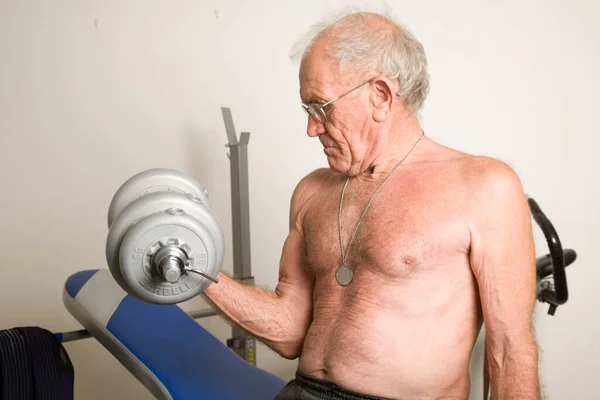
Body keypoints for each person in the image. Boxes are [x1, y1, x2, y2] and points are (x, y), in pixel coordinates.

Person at [204, 10, 540, 400]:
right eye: (307, 111)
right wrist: (196, 272)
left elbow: (510, 353)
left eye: (321, 108)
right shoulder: (312, 192)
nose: (311, 128)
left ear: (379, 96)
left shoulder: (483, 186)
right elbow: (290, 330)